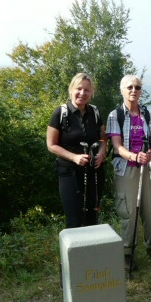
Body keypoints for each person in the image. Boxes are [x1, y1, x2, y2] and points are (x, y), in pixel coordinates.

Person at [106, 75, 151, 268]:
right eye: (129, 87)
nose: (134, 90)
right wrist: (134, 156)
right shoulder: (116, 115)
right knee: (129, 212)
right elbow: (117, 146)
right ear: (122, 90)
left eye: (137, 87)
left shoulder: (147, 114)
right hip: (127, 169)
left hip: (148, 167)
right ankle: (127, 251)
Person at [47, 73, 106, 228]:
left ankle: (92, 250)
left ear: (91, 93)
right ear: (71, 90)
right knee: (74, 218)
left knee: (92, 216)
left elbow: (102, 139)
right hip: (69, 172)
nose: (82, 93)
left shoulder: (95, 112)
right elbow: (51, 144)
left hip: (93, 171)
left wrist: (101, 154)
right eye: (78, 89)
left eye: (87, 90)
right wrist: (73, 157)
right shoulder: (60, 113)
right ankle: (75, 250)